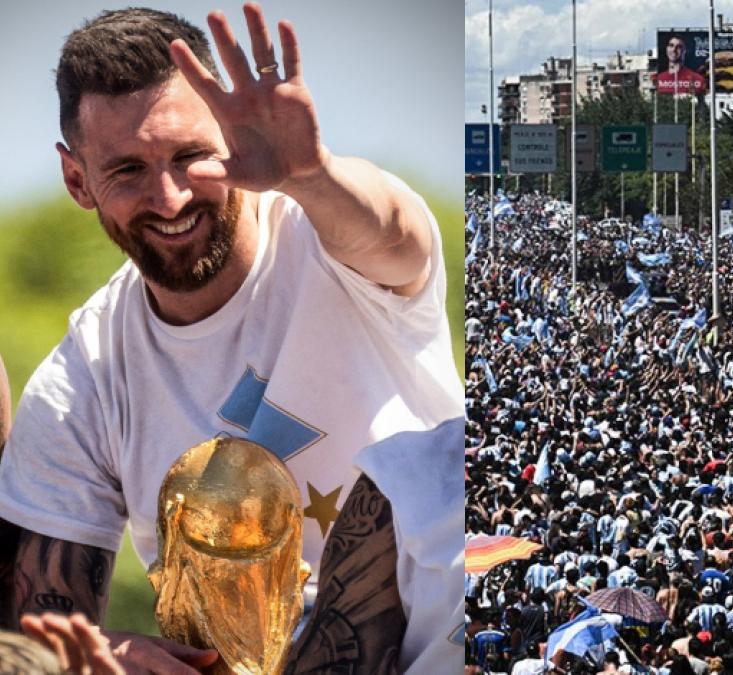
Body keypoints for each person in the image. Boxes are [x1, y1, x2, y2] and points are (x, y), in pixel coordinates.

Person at [0, 5, 462, 672]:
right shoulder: (84, 380)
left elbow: (394, 234)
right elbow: (38, 637)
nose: (169, 197)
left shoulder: (332, 243)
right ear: (78, 180)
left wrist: (311, 175)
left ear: (233, 140)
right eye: (127, 171)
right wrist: (104, 657)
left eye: (191, 156)